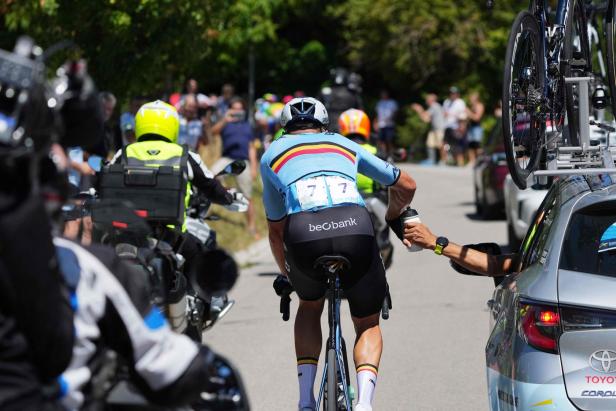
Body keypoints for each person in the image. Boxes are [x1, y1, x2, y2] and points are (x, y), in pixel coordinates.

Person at [261, 97, 417, 411]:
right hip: (355, 228)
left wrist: (286, 274)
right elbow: (407, 184)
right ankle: (365, 404)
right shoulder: (343, 144)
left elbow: (276, 232)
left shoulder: (271, 155)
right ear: (324, 125)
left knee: (308, 305)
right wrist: (392, 216)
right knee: (368, 322)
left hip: (304, 235)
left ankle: (305, 400)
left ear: (284, 128)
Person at [211, 97, 259, 238]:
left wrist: (254, 166)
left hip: (243, 161)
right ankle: (224, 193)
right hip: (227, 158)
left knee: (247, 196)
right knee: (211, 175)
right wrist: (225, 119)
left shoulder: (247, 126)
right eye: (234, 108)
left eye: (240, 108)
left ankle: (251, 227)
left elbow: (251, 148)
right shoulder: (226, 123)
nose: (237, 111)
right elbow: (213, 132)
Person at [321, 68, 362, 133]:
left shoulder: (325, 92)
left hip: (330, 127)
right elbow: (360, 112)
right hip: (347, 127)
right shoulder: (352, 93)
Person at [412, 93, 446, 165]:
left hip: (439, 128)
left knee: (440, 145)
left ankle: (444, 161)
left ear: (431, 100)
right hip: (434, 129)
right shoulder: (434, 107)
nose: (426, 101)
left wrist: (419, 110)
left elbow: (425, 118)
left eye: (427, 99)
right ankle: (431, 160)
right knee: (430, 144)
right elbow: (427, 119)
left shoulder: (434, 106)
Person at [443, 87, 467, 166]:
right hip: (447, 126)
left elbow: (463, 115)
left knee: (457, 146)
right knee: (445, 144)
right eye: (451, 93)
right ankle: (446, 161)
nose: (452, 95)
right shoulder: (446, 102)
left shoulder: (460, 102)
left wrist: (462, 126)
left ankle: (460, 162)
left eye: (454, 93)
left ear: (457, 94)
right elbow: (445, 113)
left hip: (456, 126)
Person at [374, 89, 398, 157]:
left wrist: (392, 119)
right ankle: (383, 154)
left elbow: (395, 112)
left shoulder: (392, 103)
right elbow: (377, 114)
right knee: (381, 140)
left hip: (389, 124)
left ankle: (391, 154)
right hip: (381, 124)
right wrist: (375, 122)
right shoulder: (379, 103)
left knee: (389, 140)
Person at [466, 92, 485, 164]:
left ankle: (480, 161)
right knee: (470, 145)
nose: (470, 99)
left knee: (477, 145)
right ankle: (472, 161)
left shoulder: (479, 106)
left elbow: (477, 118)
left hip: (477, 128)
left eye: (471, 98)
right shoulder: (472, 106)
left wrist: (469, 113)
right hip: (470, 127)